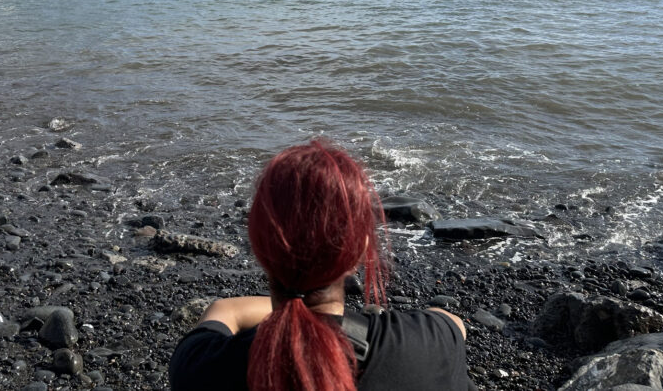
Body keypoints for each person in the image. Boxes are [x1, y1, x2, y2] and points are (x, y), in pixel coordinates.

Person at [169, 140, 472, 391]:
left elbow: (226, 311)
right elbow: (453, 323)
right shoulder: (430, 346)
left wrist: (296, 309)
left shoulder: (198, 367)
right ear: (359, 252)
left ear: (260, 250)